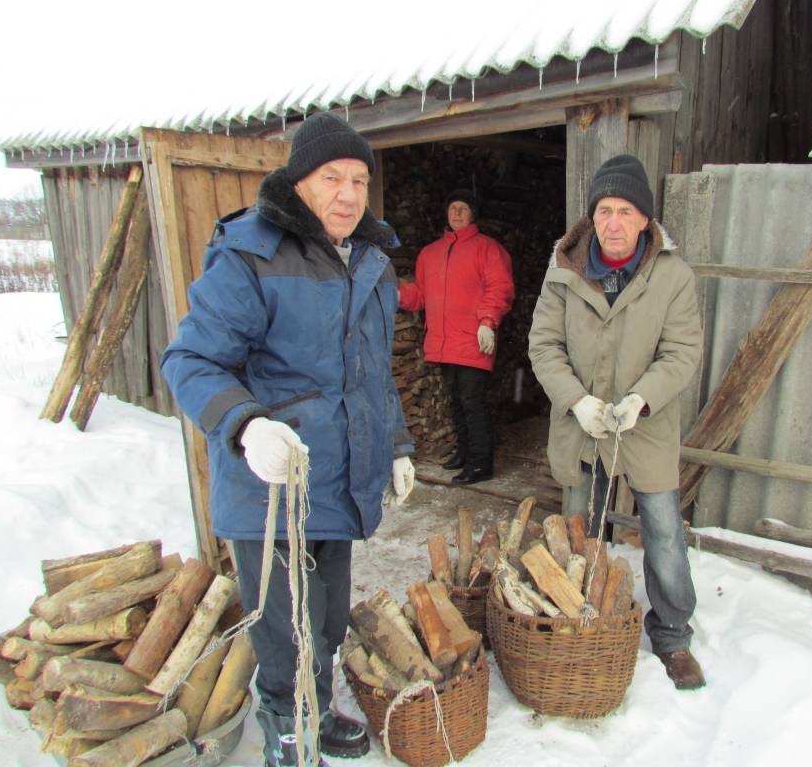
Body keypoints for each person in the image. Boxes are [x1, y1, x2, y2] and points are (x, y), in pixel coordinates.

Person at [161, 111, 415, 766]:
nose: (349, 194)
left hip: (336, 479)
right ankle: (283, 719)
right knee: (282, 625)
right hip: (270, 483)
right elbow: (189, 361)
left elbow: (371, 375)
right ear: (299, 182)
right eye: (332, 177)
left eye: (360, 179)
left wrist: (397, 445)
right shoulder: (251, 253)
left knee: (325, 618)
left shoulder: (371, 260)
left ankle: (316, 704)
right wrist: (245, 426)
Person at [528, 154, 705, 690]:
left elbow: (681, 351)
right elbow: (544, 346)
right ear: (592, 217)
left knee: (664, 532)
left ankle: (673, 635)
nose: (613, 222)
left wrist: (640, 400)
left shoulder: (672, 277)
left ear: (645, 220)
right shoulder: (564, 271)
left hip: (643, 427)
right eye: (604, 210)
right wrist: (576, 400)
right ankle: (577, 622)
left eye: (625, 211)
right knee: (577, 530)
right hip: (583, 428)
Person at [398, 188, 514, 484]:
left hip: (475, 339)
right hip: (443, 341)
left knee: (473, 402)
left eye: (463, 208)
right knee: (456, 401)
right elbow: (420, 295)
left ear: (472, 214)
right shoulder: (429, 253)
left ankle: (480, 464)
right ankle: (464, 453)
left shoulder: (488, 248)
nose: (458, 213)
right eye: (453, 208)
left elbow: (499, 287)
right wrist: (395, 292)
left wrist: (488, 321)